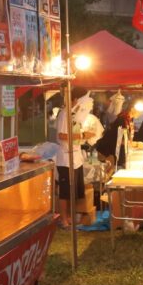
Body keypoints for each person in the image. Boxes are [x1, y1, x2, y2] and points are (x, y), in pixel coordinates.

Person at [55, 88, 93, 229]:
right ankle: (64, 219)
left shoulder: (75, 115)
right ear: (76, 100)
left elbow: (73, 133)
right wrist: (83, 136)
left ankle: (70, 217)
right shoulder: (65, 114)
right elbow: (62, 135)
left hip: (76, 157)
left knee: (74, 191)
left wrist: (84, 135)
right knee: (65, 191)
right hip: (66, 158)